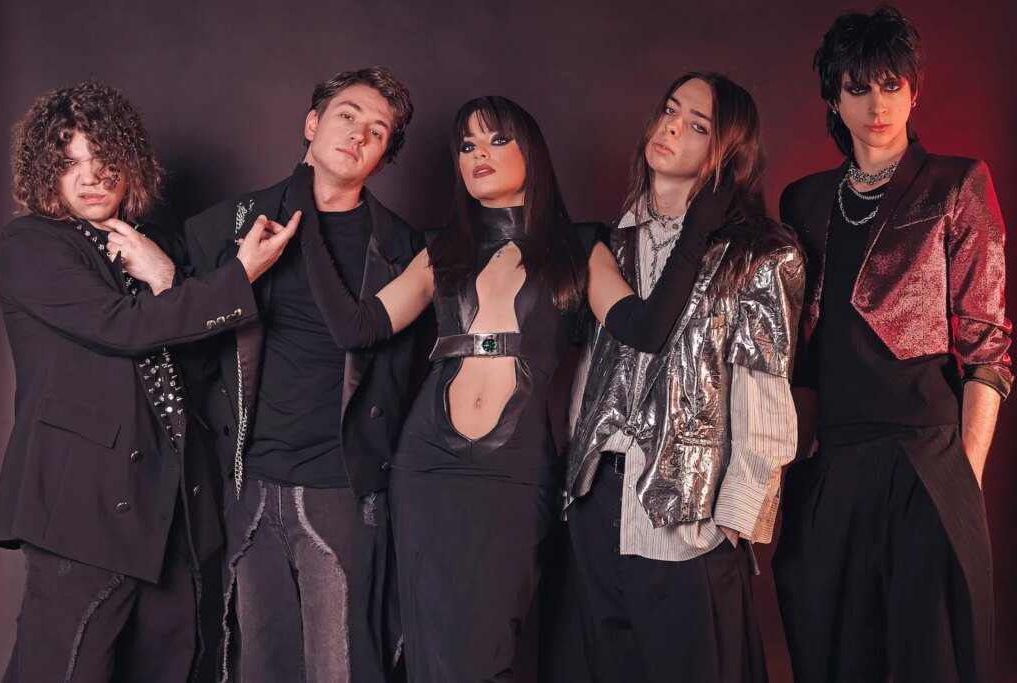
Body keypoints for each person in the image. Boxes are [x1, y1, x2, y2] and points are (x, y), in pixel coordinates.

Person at [295, 93, 733, 681]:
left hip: (515, 474)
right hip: (425, 467)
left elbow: (646, 329)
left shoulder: (580, 244)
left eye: (497, 139)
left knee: (487, 652)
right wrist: (307, 223)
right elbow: (358, 327)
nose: (479, 153)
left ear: (532, 152)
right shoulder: (441, 247)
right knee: (428, 651)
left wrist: (699, 227)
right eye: (467, 145)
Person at [0, 80, 294, 683]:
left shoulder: (155, 245)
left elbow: (202, 365)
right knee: (65, 667)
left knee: (172, 665)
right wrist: (238, 276)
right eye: (70, 162)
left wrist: (165, 276)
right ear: (45, 171)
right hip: (83, 509)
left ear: (129, 164)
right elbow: (121, 326)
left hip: (173, 505)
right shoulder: (29, 244)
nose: (90, 177)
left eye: (105, 160)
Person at [773, 7, 1011, 683]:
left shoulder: (958, 184)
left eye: (890, 84)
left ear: (914, 90)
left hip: (925, 456)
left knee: (928, 658)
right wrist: (791, 473)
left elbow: (989, 349)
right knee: (832, 657)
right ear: (833, 99)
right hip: (833, 463)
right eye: (858, 88)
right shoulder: (803, 202)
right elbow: (801, 360)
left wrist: (962, 474)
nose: (876, 105)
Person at [183, 66, 423, 682]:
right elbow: (182, 328)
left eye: (377, 130)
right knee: (259, 666)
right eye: (347, 115)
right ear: (312, 123)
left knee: (342, 666)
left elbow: (413, 381)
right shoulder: (230, 225)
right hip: (249, 482)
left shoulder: (403, 249)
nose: (358, 134)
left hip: (342, 488)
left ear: (382, 156)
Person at [566, 72, 804, 683]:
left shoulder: (760, 256)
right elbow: (590, 373)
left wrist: (732, 525)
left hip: (686, 520)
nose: (671, 127)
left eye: (697, 125)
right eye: (670, 111)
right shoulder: (608, 245)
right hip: (596, 505)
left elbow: (763, 399)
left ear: (728, 153)